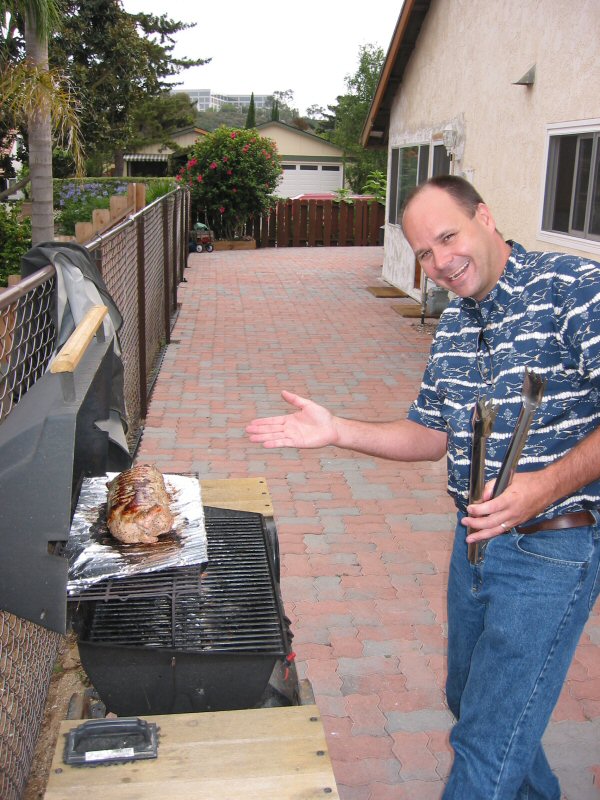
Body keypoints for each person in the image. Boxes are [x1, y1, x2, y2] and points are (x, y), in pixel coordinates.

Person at [246, 175, 600, 800]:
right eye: (425, 253)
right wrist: (337, 430)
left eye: (448, 237)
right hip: (476, 543)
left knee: (486, 741)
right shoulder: (457, 322)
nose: (440, 262)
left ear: (484, 217)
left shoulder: (573, 288)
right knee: (468, 697)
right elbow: (430, 434)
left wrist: (543, 487)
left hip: (552, 546)